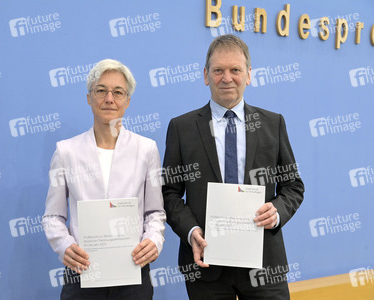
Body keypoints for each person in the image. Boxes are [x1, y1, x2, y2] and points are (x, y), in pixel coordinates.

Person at [162, 34, 304, 299]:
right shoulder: (181, 128)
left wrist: (277, 211)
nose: (227, 78)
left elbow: (293, 186)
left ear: (248, 75)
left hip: (264, 262)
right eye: (218, 70)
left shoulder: (273, 124)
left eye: (235, 70)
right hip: (205, 263)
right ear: (206, 75)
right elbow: (168, 193)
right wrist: (192, 231)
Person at [42, 59, 166, 300]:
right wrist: (64, 245)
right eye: (101, 91)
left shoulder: (146, 149)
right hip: (82, 271)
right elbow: (53, 216)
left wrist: (153, 240)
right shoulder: (66, 151)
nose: (109, 98)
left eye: (118, 92)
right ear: (89, 97)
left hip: (133, 271)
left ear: (128, 101)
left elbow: (155, 213)